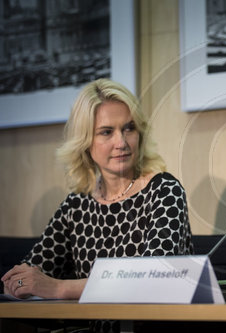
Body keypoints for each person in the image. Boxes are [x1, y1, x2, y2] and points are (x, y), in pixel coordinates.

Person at [1, 78, 194, 301]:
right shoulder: (77, 204)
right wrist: (17, 283)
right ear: (84, 141)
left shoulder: (165, 191)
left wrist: (59, 288)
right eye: (106, 132)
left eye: (129, 128)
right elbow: (30, 275)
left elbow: (152, 277)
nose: (121, 142)